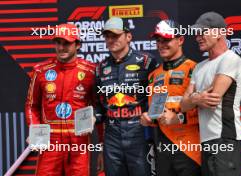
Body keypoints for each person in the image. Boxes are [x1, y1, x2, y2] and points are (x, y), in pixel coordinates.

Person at [25, 23, 97, 175]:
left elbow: (99, 106)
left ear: (77, 44)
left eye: (67, 43)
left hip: (79, 140)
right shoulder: (41, 70)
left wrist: (94, 118)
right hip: (50, 139)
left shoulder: (91, 71)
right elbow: (32, 105)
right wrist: (35, 129)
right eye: (58, 42)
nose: (61, 47)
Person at [180, 11, 241, 176]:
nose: (198, 37)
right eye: (197, 33)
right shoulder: (199, 67)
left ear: (219, 33)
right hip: (206, 141)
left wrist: (193, 97)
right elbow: (183, 105)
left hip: (226, 139)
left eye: (203, 32)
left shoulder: (230, 59)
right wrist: (197, 98)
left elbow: (212, 99)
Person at [94, 17, 158, 176]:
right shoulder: (101, 68)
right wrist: (92, 117)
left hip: (139, 133)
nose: (111, 40)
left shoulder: (146, 62)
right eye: (107, 36)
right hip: (112, 136)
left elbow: (158, 94)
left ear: (128, 37)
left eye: (115, 35)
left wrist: (152, 115)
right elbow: (99, 103)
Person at [140, 19, 201, 176]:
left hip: (190, 148)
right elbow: (156, 111)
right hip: (163, 148)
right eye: (158, 40)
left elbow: (206, 111)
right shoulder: (154, 75)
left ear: (180, 40)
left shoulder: (195, 69)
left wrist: (178, 118)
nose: (161, 44)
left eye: (166, 39)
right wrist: (148, 118)